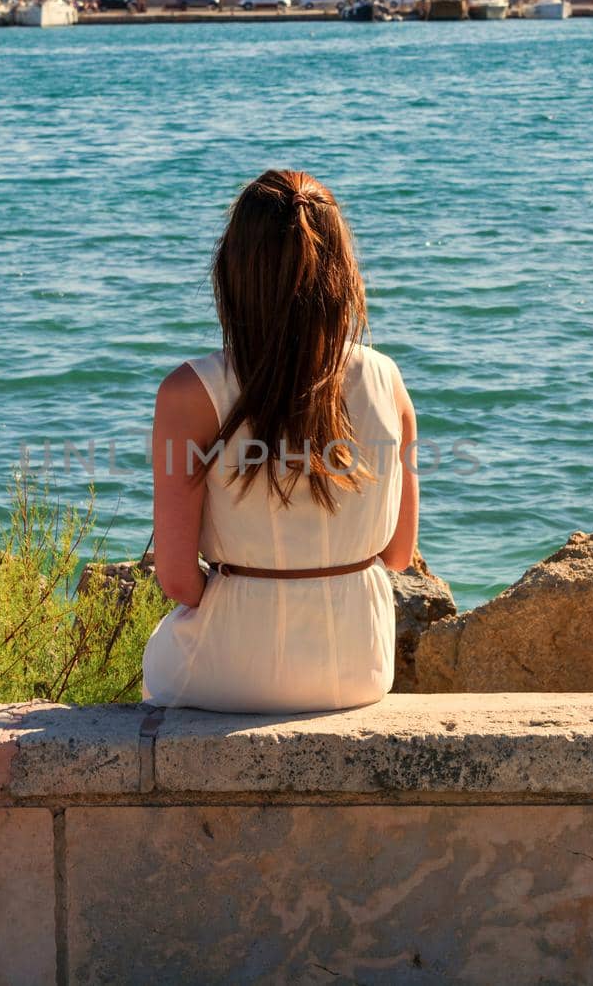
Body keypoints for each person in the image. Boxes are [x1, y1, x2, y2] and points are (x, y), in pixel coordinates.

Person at [142, 169, 419, 713]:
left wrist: (245, 600)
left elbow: (177, 580)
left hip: (228, 666)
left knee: (160, 666)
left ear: (234, 273)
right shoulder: (387, 380)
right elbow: (399, 554)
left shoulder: (188, 393)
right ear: (342, 275)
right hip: (359, 667)